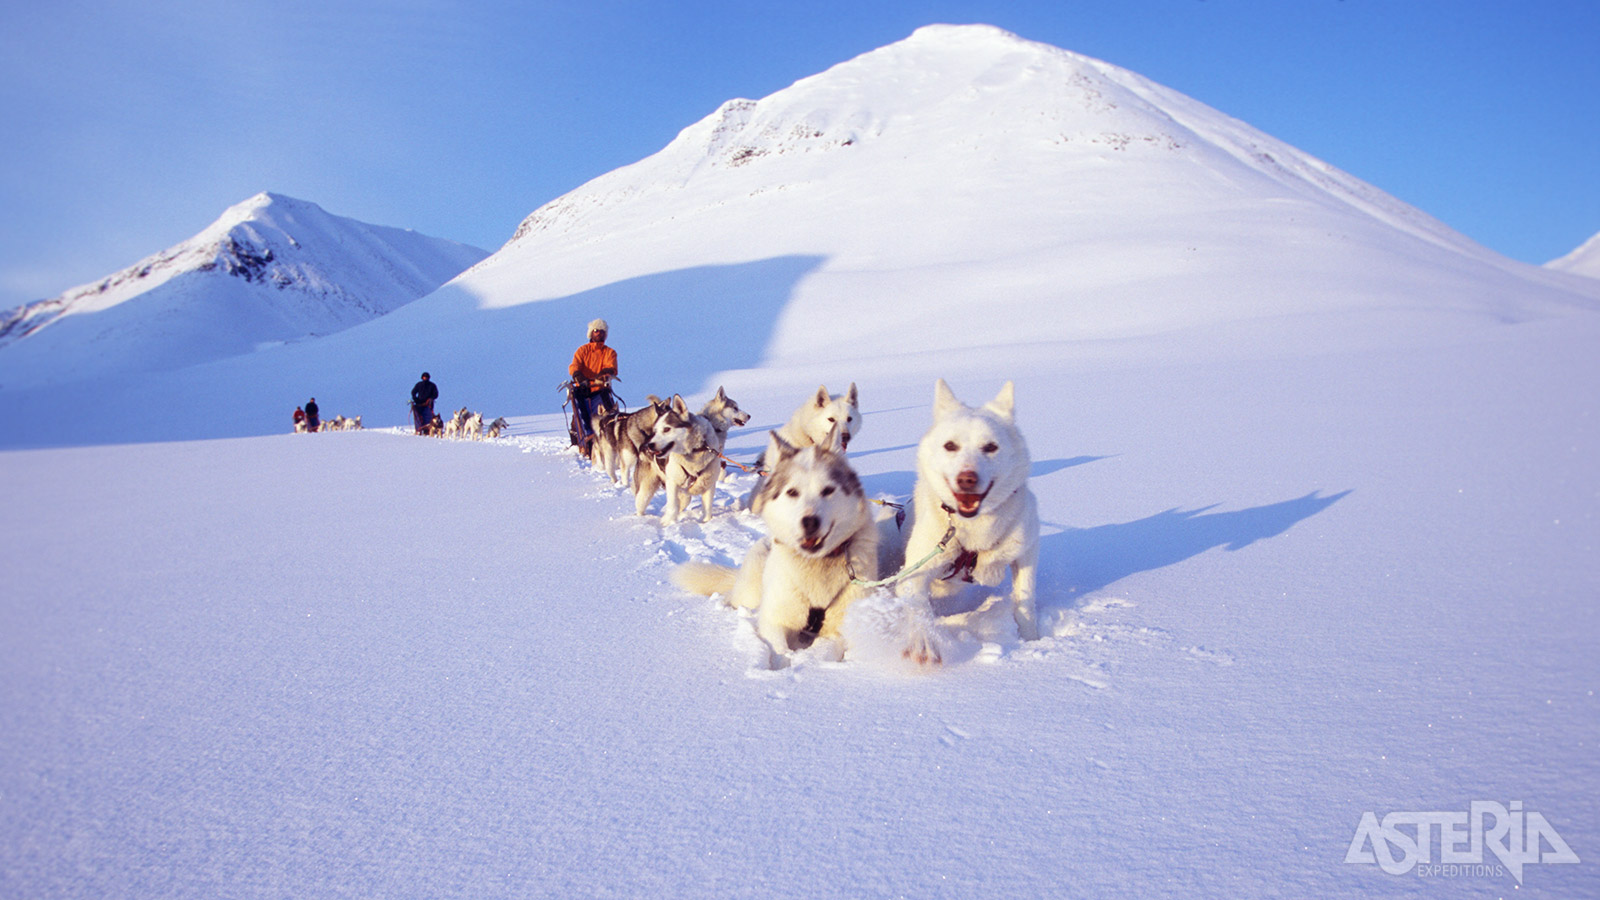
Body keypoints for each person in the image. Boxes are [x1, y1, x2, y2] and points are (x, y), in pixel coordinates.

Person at [568, 319, 618, 456]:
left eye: (602, 331)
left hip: (600, 390)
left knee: (609, 415)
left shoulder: (609, 352)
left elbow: (611, 367)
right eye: (596, 330)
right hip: (582, 390)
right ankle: (583, 443)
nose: (599, 333)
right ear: (591, 333)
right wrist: (578, 375)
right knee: (580, 416)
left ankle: (612, 444)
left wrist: (603, 374)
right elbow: (574, 366)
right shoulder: (582, 351)